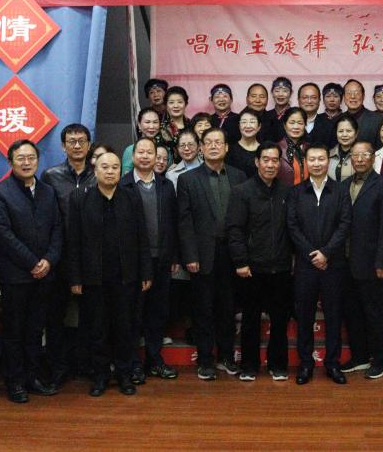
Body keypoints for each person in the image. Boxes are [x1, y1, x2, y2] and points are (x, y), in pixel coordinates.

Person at [66, 151, 153, 397]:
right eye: (105, 167)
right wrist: (75, 277)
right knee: (97, 329)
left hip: (126, 277)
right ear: (95, 171)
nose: (110, 171)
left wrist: (146, 271)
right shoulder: (80, 198)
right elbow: (73, 240)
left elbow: (142, 236)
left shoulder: (131, 197)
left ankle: (124, 375)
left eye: (115, 167)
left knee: (125, 329)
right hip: (93, 279)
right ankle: (100, 376)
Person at [0, 140, 63, 403]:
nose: (27, 162)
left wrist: (49, 260)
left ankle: (32, 377)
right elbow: (3, 235)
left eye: (31, 157)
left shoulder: (48, 191)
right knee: (14, 331)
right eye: (20, 158)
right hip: (15, 276)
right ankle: (15, 382)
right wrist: (32, 262)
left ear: (38, 161)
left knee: (35, 330)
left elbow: (57, 228)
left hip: (45, 274)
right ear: (10, 162)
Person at [176, 127, 247, 380]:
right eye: (209, 142)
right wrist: (189, 255)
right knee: (203, 309)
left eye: (219, 142)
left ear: (226, 147)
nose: (214, 146)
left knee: (228, 308)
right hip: (202, 254)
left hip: (232, 254)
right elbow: (184, 221)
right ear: (201, 148)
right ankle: (205, 360)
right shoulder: (188, 179)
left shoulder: (239, 176)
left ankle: (226, 357)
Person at [227, 142, 293, 382]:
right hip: (251, 268)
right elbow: (234, 230)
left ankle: (278, 364)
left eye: (275, 160)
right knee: (250, 319)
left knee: (280, 320)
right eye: (266, 159)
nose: (270, 164)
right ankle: (249, 365)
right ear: (257, 162)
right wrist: (241, 262)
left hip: (281, 267)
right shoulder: (242, 191)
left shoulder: (287, 192)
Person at [287, 143, 352, 385]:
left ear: (328, 161)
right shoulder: (296, 192)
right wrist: (312, 255)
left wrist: (326, 253)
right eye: (312, 159)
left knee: (334, 316)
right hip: (305, 266)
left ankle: (332, 364)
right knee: (305, 317)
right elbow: (292, 226)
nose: (316, 163)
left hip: (333, 265)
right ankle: (306, 364)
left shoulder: (340, 191)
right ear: (306, 162)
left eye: (321, 159)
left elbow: (345, 224)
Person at [119, 137, 180, 382]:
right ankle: (133, 364)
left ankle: (155, 360)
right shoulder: (122, 185)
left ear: (157, 157)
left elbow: (174, 222)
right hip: (132, 264)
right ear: (133, 156)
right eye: (140, 152)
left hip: (161, 260)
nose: (145, 156)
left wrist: (174, 255)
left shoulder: (166, 185)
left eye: (149, 153)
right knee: (133, 315)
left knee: (157, 314)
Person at [41, 123, 97, 387]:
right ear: (63, 146)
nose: (77, 145)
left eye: (81, 141)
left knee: (91, 315)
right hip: (59, 257)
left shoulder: (98, 174)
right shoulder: (50, 176)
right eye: (71, 141)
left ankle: (86, 364)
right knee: (55, 316)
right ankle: (57, 368)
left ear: (89, 144)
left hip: (91, 258)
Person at [341, 140, 383, 380]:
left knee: (375, 313)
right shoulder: (343, 185)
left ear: (373, 158)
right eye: (355, 155)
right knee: (352, 312)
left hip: (372, 263)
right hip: (345, 261)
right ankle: (360, 357)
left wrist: (382, 263)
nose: (360, 159)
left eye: (365, 155)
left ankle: (381, 361)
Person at [343, 79, 383, 147]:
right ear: (344, 97)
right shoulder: (338, 119)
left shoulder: (377, 120)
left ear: (363, 96)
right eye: (349, 93)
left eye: (357, 93)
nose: (353, 96)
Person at [122, 108, 162, 175]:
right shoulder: (130, 150)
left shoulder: (164, 149)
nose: (151, 126)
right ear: (139, 125)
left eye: (155, 122)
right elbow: (126, 177)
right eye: (147, 122)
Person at [277, 106, 309, 186]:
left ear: (305, 125)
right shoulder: (276, 149)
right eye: (292, 123)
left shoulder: (310, 149)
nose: (296, 127)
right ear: (284, 125)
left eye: (300, 123)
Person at [227, 108, 262, 179]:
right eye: (244, 122)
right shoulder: (230, 150)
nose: (248, 126)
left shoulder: (264, 149)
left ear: (259, 126)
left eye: (252, 122)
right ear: (239, 126)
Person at [298, 82, 336, 146]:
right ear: (298, 100)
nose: (309, 101)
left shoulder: (330, 125)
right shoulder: (289, 123)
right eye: (305, 97)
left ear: (319, 100)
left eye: (313, 97)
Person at [161, 86, 190, 155]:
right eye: (171, 102)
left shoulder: (192, 125)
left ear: (186, 104)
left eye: (180, 102)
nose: (176, 106)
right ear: (166, 105)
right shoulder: (161, 129)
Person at [329, 115, 359, 182]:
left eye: (348, 131)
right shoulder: (329, 154)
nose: (344, 135)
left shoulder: (363, 155)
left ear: (356, 133)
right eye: (340, 131)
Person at [263, 76, 293, 143]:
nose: (280, 94)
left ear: (290, 94)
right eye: (277, 91)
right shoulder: (265, 115)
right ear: (272, 93)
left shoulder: (295, 115)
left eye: (285, 91)